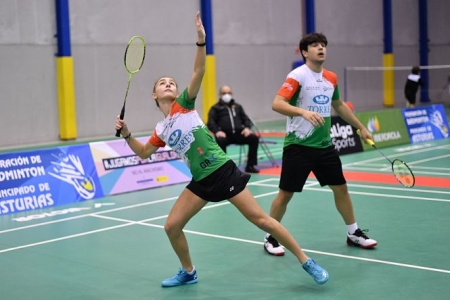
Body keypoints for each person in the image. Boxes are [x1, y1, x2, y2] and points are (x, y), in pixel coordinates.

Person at [115, 12, 329, 287]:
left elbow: (199, 72)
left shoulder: (184, 104)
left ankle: (306, 261)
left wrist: (201, 42)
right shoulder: (161, 128)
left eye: (172, 82)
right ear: (154, 95)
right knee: (171, 226)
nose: (169, 84)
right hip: (200, 181)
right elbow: (144, 153)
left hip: (222, 171)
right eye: (162, 83)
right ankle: (188, 271)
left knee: (262, 220)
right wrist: (127, 134)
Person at [263, 32, 378, 256]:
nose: (321, 48)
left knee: (341, 188)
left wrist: (360, 127)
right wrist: (302, 112)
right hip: (299, 145)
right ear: (305, 52)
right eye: (315, 45)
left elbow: (339, 105)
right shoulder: (297, 76)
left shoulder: (331, 78)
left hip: (324, 146)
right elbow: (277, 103)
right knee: (285, 194)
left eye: (323, 45)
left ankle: (353, 232)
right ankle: (270, 236)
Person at [207, 86, 260, 173]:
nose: (227, 95)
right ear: (220, 95)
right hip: (225, 135)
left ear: (232, 94)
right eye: (224, 93)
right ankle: (224, 168)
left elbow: (246, 119)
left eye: (229, 93)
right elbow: (210, 122)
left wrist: (247, 128)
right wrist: (217, 131)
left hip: (239, 134)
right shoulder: (215, 108)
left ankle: (250, 165)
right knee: (220, 140)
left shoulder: (238, 107)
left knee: (254, 138)